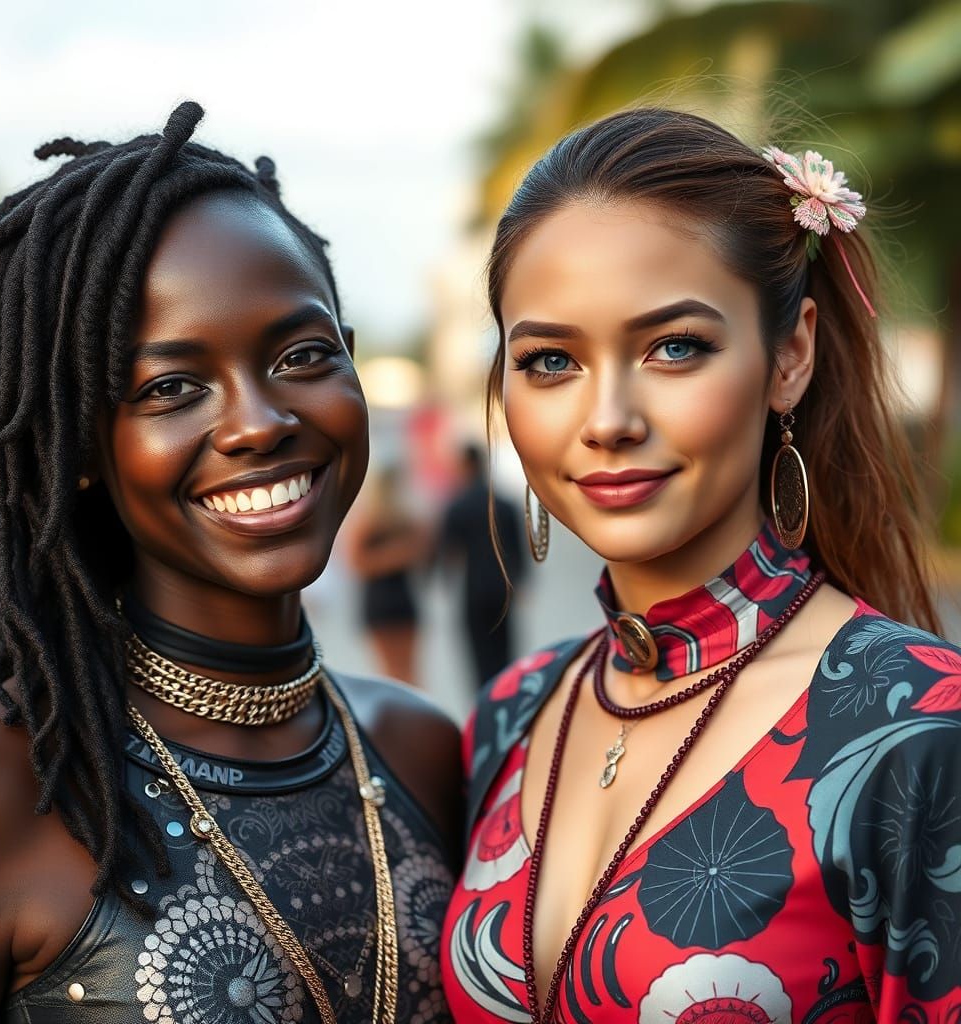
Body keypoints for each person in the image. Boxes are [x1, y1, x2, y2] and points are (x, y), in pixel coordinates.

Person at [0, 102, 461, 1024]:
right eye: (170, 387)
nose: (259, 422)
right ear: (81, 450)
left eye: (303, 353)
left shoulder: (421, 748)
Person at [440, 108, 961, 1022]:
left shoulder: (920, 730)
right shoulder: (512, 717)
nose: (608, 419)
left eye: (674, 347)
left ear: (789, 356)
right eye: (551, 360)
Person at [438, 442, 525, 690]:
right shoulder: (505, 504)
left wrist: (445, 583)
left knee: (479, 653)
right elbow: (517, 548)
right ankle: (508, 694)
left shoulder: (458, 506)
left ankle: (486, 699)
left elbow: (448, 553)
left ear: (465, 466)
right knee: (504, 648)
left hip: (473, 587)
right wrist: (520, 582)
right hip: (502, 584)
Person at [346, 464, 427, 685]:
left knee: (406, 669)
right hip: (382, 598)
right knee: (393, 670)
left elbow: (423, 549)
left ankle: (412, 714)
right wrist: (396, 555)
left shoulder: (405, 517)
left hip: (398, 597)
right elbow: (356, 562)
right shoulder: (369, 521)